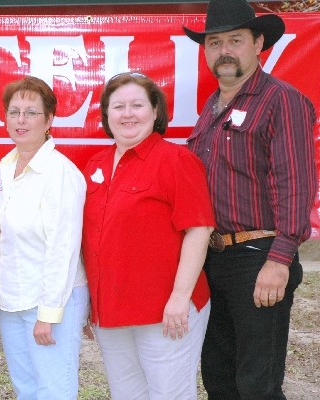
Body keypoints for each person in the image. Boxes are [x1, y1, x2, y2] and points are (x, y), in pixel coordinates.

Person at [182, 0, 317, 398]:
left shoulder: (281, 100)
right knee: (219, 378)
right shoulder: (212, 108)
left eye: (235, 40)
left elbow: (295, 181)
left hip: (259, 258)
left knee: (257, 384)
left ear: (259, 43)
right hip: (214, 258)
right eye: (214, 42)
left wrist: (280, 258)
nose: (224, 50)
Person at [81, 72, 216, 400]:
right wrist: (89, 302)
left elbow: (199, 229)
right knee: (127, 394)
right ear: (106, 115)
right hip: (111, 309)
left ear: (155, 111)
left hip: (165, 310)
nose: (127, 113)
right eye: (118, 106)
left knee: (169, 394)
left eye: (137, 105)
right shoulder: (94, 166)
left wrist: (179, 298)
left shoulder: (177, 161)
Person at [0, 76, 89, 400]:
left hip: (50, 301)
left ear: (49, 120)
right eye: (14, 111)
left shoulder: (60, 173)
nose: (20, 120)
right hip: (12, 300)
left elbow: (63, 248)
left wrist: (49, 314)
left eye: (31, 112)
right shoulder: (6, 167)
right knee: (26, 388)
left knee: (54, 390)